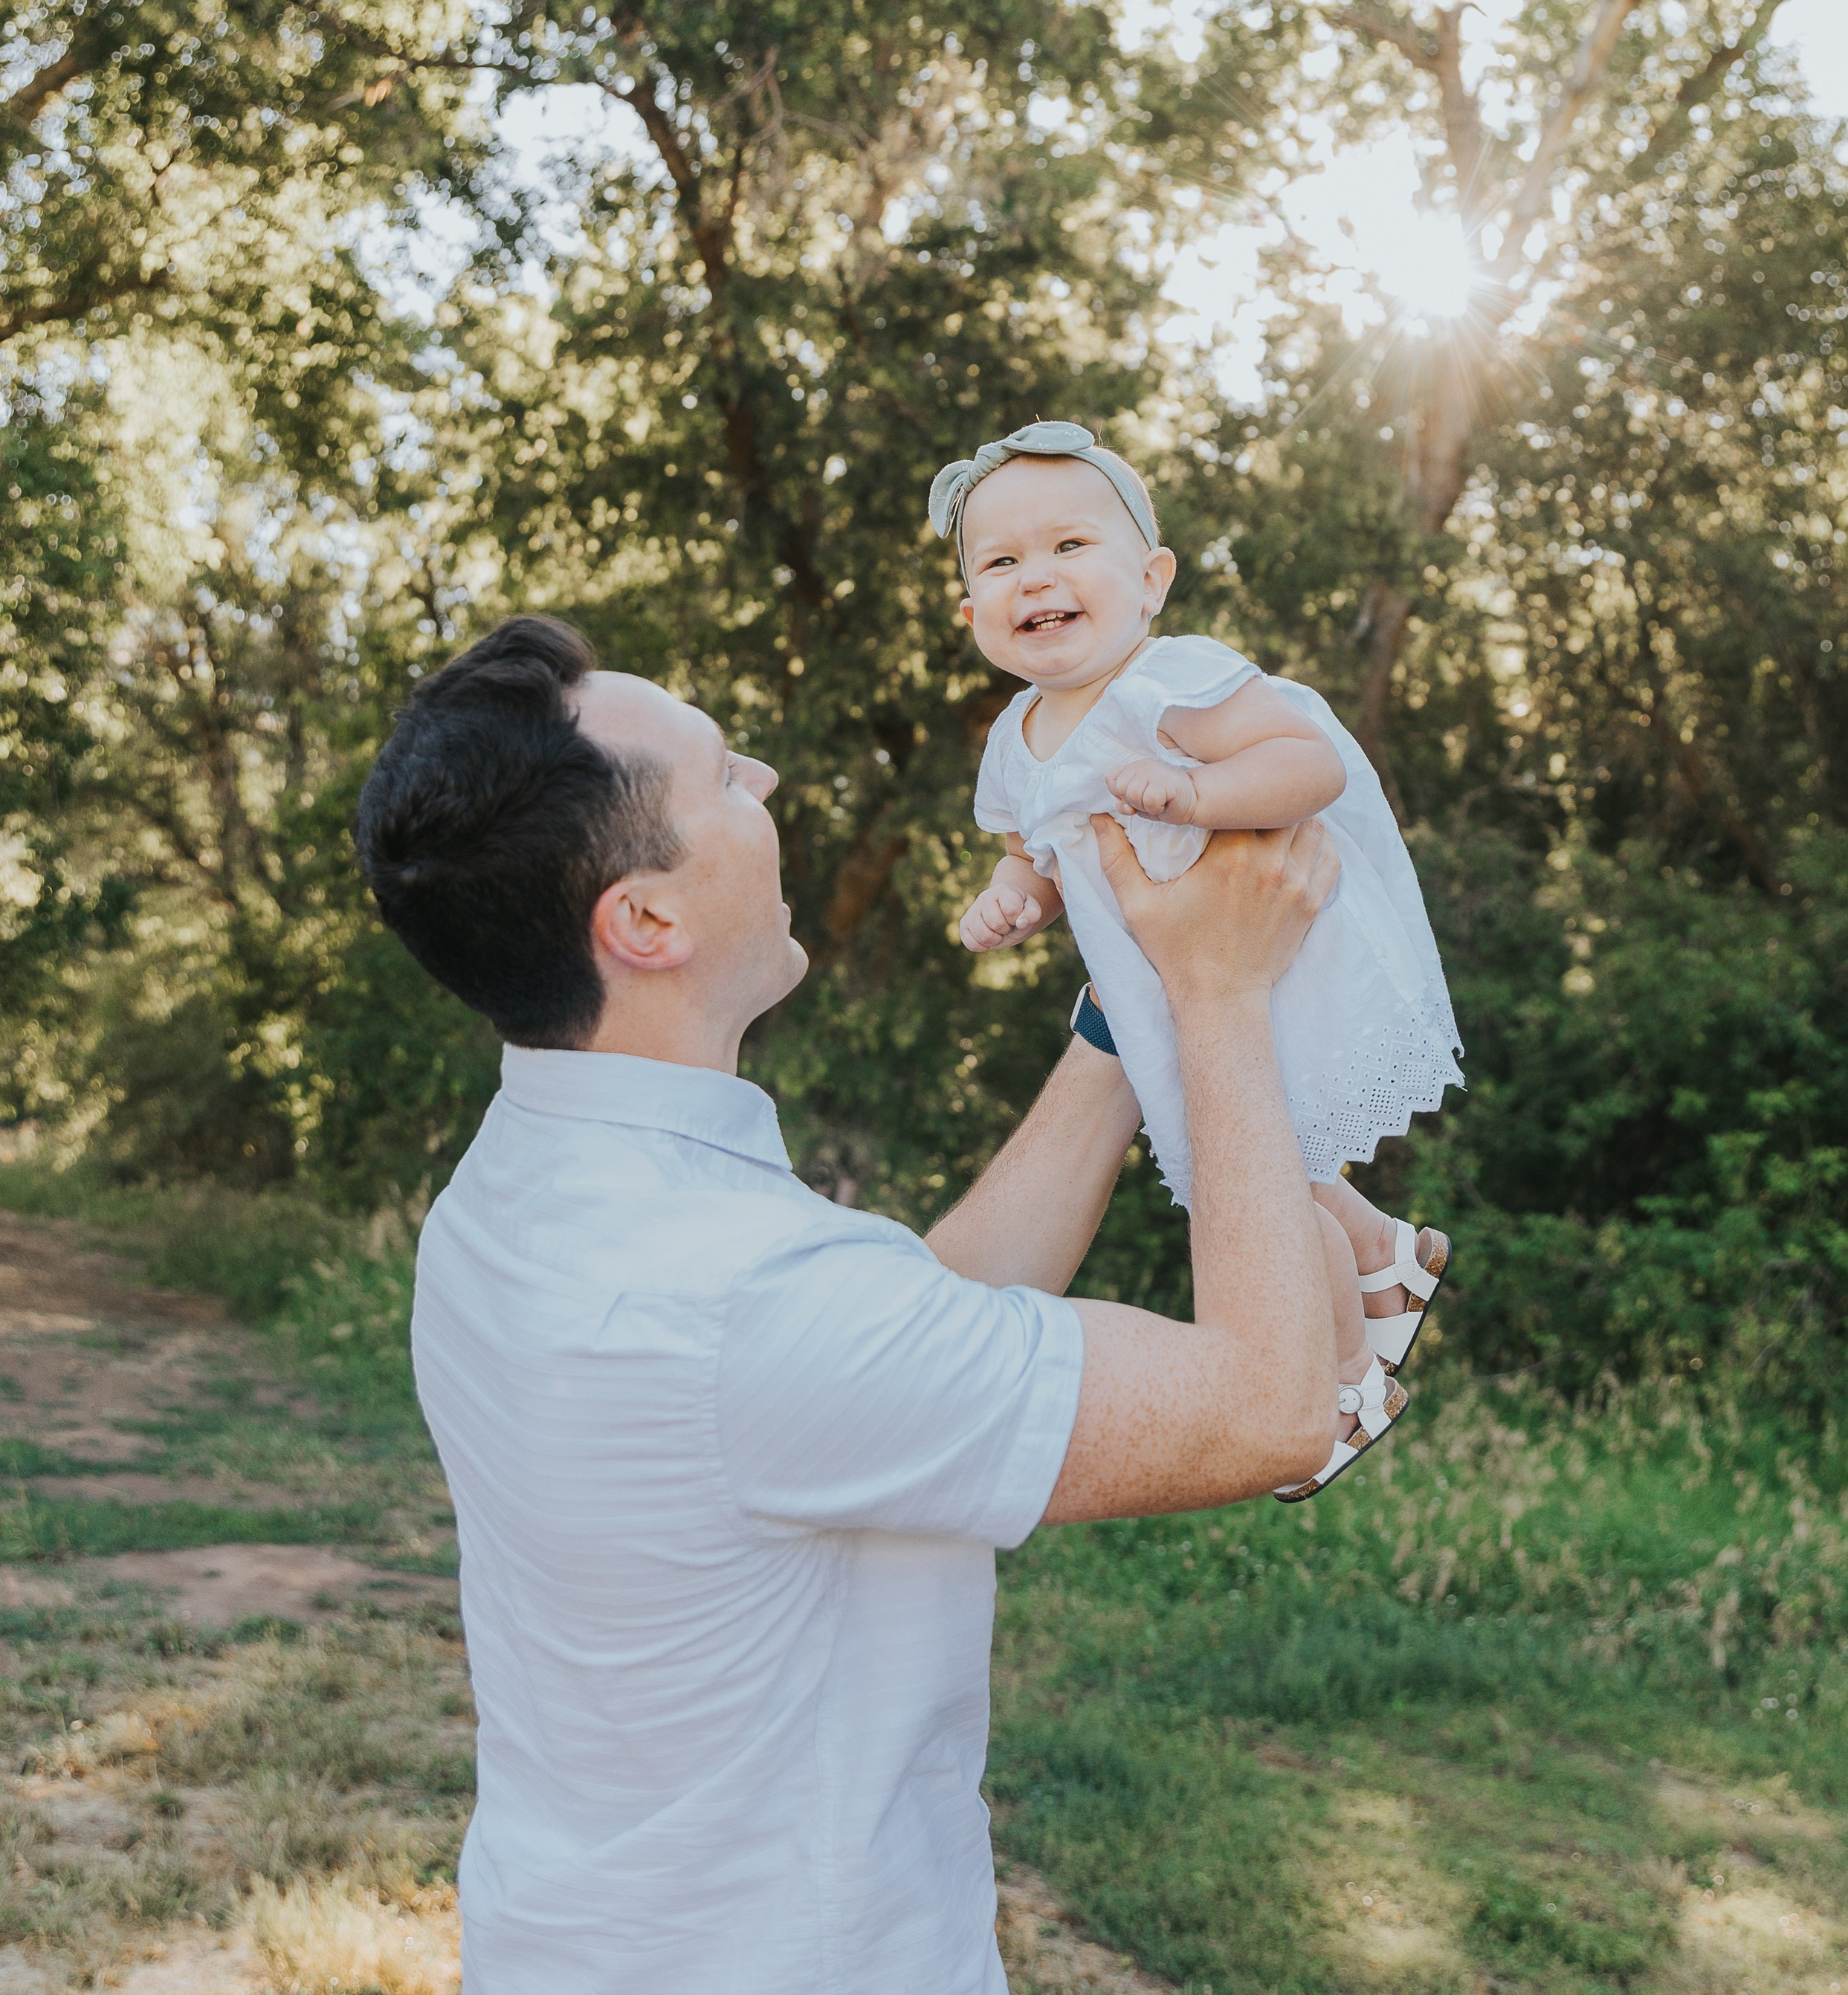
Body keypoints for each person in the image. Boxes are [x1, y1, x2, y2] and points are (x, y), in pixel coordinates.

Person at [354, 612, 1340, 1995]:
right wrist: (1224, 991)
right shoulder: (748, 1301)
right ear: (645, 919)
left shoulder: (513, 1199)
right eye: (718, 778)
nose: (761, 777)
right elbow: (1272, 1406)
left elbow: (896, 1342)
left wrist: (1135, 1004)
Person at [931, 419, 1460, 1502]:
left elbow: (1307, 762)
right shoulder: (1014, 735)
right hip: (1159, 992)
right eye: (1000, 561)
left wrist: (1203, 794)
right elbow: (1033, 848)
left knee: (1247, 1183)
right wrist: (1013, 897)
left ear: (1152, 577)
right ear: (974, 608)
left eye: (1071, 545)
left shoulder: (1165, 683)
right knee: (1269, 1166)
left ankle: (1346, 1381)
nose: (1038, 575)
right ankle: (1389, 1259)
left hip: (1254, 955)